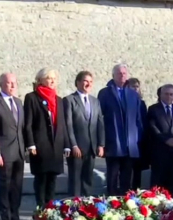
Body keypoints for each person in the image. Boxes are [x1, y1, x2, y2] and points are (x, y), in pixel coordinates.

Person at [23, 68, 70, 208]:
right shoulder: (32, 97)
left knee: (52, 179)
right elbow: (28, 123)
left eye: (54, 78)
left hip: (56, 145)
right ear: (41, 80)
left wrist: (66, 144)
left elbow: (62, 123)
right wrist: (30, 144)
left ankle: (50, 208)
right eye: (49, 78)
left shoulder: (58, 100)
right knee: (41, 178)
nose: (52, 80)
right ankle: (41, 207)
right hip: (40, 145)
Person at [0, 73, 28, 220]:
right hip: (4, 152)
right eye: (9, 83)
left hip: (18, 151)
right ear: (1, 84)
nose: (12, 86)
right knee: (5, 185)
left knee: (17, 185)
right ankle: (5, 218)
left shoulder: (18, 102)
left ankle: (15, 215)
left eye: (14, 83)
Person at [97, 64, 143, 195]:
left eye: (124, 73)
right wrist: (102, 141)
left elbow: (138, 119)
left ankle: (125, 204)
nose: (122, 75)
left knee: (126, 178)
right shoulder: (105, 93)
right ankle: (112, 203)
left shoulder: (133, 94)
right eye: (119, 73)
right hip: (113, 142)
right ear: (113, 76)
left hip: (130, 144)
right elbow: (100, 118)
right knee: (112, 176)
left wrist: (137, 139)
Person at [64, 70, 105, 197]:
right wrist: (73, 145)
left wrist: (101, 144)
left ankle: (87, 206)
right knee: (75, 180)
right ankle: (73, 207)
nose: (88, 84)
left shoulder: (95, 101)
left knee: (88, 179)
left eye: (91, 82)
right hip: (77, 147)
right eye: (85, 81)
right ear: (78, 83)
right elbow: (68, 124)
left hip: (91, 147)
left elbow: (100, 123)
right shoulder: (69, 100)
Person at [147, 84, 173, 195]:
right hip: (159, 154)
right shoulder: (153, 109)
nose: (169, 96)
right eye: (166, 94)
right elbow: (153, 127)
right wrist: (165, 140)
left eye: (171, 94)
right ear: (161, 94)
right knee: (157, 187)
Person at [125, 77, 149, 190]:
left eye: (137, 87)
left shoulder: (142, 103)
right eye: (132, 86)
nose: (135, 89)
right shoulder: (125, 102)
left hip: (140, 141)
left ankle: (136, 190)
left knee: (138, 170)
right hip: (129, 141)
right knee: (127, 169)